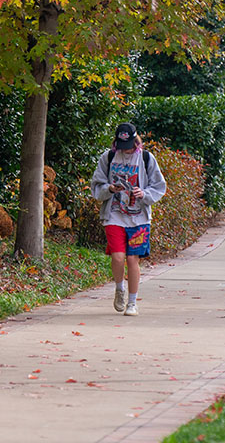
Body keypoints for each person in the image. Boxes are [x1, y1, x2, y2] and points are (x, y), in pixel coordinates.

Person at [90, 122, 166, 316]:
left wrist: (145, 193)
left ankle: (132, 302)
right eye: (122, 146)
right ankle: (119, 289)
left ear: (136, 141)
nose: (127, 150)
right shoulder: (107, 157)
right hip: (114, 214)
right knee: (117, 257)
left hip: (139, 218)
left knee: (132, 259)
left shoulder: (147, 158)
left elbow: (159, 186)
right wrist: (109, 189)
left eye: (130, 145)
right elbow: (96, 186)